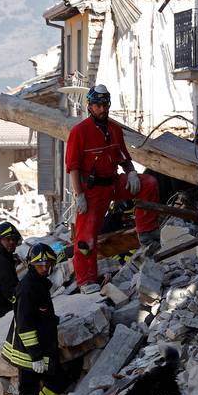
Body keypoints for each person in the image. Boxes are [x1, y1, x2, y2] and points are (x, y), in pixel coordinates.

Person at [66, 84, 160, 293]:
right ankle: (86, 281)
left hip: (113, 183)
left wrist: (132, 173)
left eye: (105, 104)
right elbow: (73, 167)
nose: (102, 109)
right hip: (92, 191)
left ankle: (148, 235)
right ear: (89, 106)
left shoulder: (114, 130)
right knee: (85, 238)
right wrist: (79, 195)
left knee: (149, 184)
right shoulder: (79, 132)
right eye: (98, 105)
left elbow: (124, 159)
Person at [1, 243, 70, 395]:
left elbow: (39, 314)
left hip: (41, 348)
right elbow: (25, 325)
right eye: (40, 265)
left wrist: (51, 319)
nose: (44, 268)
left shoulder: (39, 283)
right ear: (32, 265)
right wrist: (36, 356)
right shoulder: (28, 288)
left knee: (58, 380)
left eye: (47, 264)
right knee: (27, 392)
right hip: (28, 352)